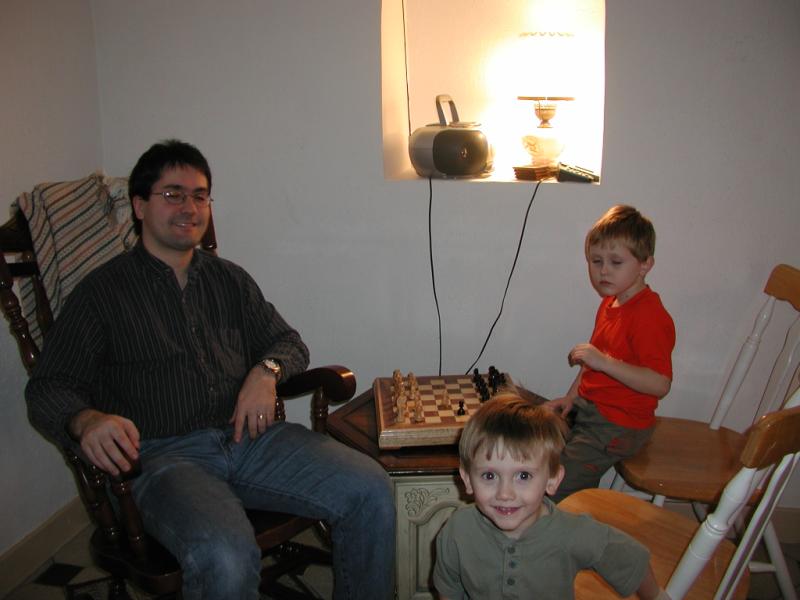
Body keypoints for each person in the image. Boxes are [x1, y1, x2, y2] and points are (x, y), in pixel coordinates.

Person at [25, 139, 396, 600]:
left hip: (252, 441)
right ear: (139, 206)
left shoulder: (229, 279)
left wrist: (266, 372)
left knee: (370, 489)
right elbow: (49, 387)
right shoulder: (101, 294)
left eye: (200, 196)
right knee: (225, 554)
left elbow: (288, 343)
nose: (190, 207)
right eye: (173, 194)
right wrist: (86, 420)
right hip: (163, 459)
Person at [433, 396, 669, 600]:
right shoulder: (457, 530)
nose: (505, 494)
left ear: (553, 479)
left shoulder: (574, 534)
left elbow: (632, 560)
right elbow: (449, 590)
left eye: (523, 476)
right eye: (489, 475)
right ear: (467, 479)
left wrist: (657, 596)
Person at [545, 204, 675, 501]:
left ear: (645, 264)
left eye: (616, 262)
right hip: (590, 408)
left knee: (554, 483)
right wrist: (571, 397)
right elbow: (590, 366)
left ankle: (572, 516)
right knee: (530, 435)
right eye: (596, 261)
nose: (603, 271)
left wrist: (604, 362)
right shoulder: (611, 302)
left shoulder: (649, 317)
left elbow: (660, 384)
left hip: (619, 424)